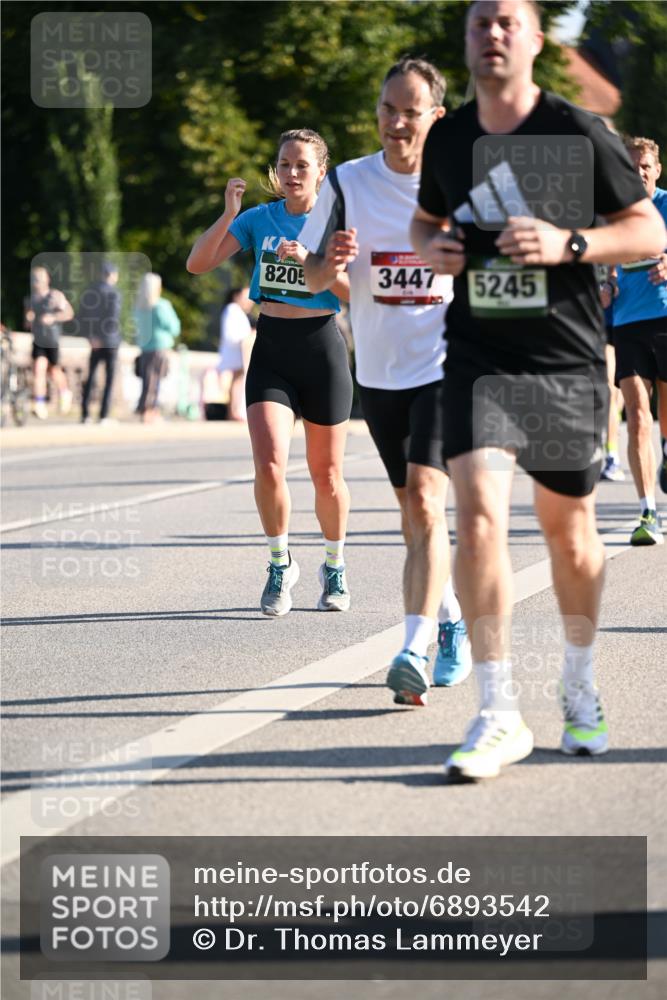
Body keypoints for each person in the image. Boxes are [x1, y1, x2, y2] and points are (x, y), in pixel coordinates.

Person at [410, 0, 666, 780]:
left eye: (506, 23)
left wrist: (571, 243)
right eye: (478, 22)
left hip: (563, 358)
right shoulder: (450, 136)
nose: (491, 33)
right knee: (478, 516)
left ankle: (579, 685)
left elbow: (647, 231)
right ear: (465, 40)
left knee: (568, 531)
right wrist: (440, 249)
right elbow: (424, 225)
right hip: (478, 352)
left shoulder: (578, 132)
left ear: (531, 40)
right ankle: (495, 711)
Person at [301, 58, 472, 707]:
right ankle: (451, 620)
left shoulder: (458, 183)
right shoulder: (345, 182)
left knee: (426, 502)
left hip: (445, 365)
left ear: (436, 117)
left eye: (410, 110)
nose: (395, 122)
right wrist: (329, 262)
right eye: (386, 108)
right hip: (377, 372)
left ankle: (410, 647)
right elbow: (314, 280)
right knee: (413, 514)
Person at [187, 129, 354, 616]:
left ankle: (334, 565)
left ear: (321, 170)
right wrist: (228, 216)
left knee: (326, 475)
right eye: (284, 165)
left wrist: (313, 263)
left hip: (322, 347)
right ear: (275, 172)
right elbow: (198, 263)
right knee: (270, 465)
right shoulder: (260, 219)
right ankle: (280, 563)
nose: (292, 173)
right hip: (273, 349)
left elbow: (356, 291)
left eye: (302, 165)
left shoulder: (336, 221)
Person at [610, 136, 667, 543]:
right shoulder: (612, 214)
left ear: (656, 169)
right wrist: (604, 281)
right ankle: (647, 512)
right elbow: (599, 261)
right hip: (628, 321)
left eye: (644, 165)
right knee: (637, 415)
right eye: (631, 166)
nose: (638, 172)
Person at [24, 265, 74, 419]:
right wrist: (29, 319)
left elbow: (69, 313)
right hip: (38, 339)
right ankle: (39, 404)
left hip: (52, 339)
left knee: (54, 371)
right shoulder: (30, 299)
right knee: (39, 369)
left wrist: (53, 318)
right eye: (34, 278)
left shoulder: (55, 296)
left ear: (47, 279)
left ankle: (65, 393)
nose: (36, 281)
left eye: (39, 278)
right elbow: (26, 322)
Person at [133, 272, 181, 423]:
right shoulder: (161, 305)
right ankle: (151, 411)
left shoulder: (138, 306)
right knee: (155, 381)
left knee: (147, 381)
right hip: (160, 347)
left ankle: (145, 410)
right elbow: (174, 327)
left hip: (144, 347)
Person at [78, 261, 122, 424]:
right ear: (112, 275)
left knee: (91, 377)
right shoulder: (114, 293)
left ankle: (85, 414)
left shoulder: (90, 292)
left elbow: (82, 316)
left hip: (94, 341)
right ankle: (104, 415)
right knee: (109, 379)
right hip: (110, 340)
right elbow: (113, 318)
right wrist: (103, 337)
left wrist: (91, 336)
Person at [217, 286, 253, 421]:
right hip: (235, 351)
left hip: (238, 351)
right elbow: (231, 334)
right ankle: (233, 411)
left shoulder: (236, 311)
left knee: (237, 381)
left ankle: (234, 410)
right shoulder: (232, 310)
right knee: (235, 382)